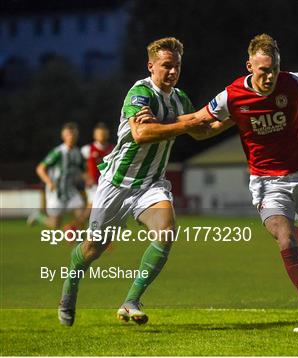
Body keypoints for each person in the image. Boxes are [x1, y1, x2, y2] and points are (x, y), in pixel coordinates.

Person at [135, 33, 298, 331]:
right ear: (249, 66)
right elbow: (198, 120)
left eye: (273, 68)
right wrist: (159, 124)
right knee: (284, 241)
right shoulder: (232, 95)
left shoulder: (292, 83)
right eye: (263, 70)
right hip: (266, 183)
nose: (269, 76)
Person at [57, 37, 213, 326]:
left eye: (177, 66)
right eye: (166, 65)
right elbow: (142, 134)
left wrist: (238, 116)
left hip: (151, 185)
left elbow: (200, 130)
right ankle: (70, 283)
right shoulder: (140, 92)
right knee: (94, 248)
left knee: (166, 232)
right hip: (117, 183)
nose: (172, 72)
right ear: (151, 65)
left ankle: (131, 301)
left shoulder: (180, 98)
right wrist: (185, 124)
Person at [27, 122, 86, 229]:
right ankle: (38, 217)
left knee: (82, 216)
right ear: (63, 136)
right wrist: (49, 182)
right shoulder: (58, 152)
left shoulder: (78, 153)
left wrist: (89, 180)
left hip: (71, 190)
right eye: (68, 134)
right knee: (55, 224)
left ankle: (77, 238)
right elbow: (40, 169)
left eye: (73, 134)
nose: (71, 136)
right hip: (56, 191)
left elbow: (83, 172)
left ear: (77, 136)